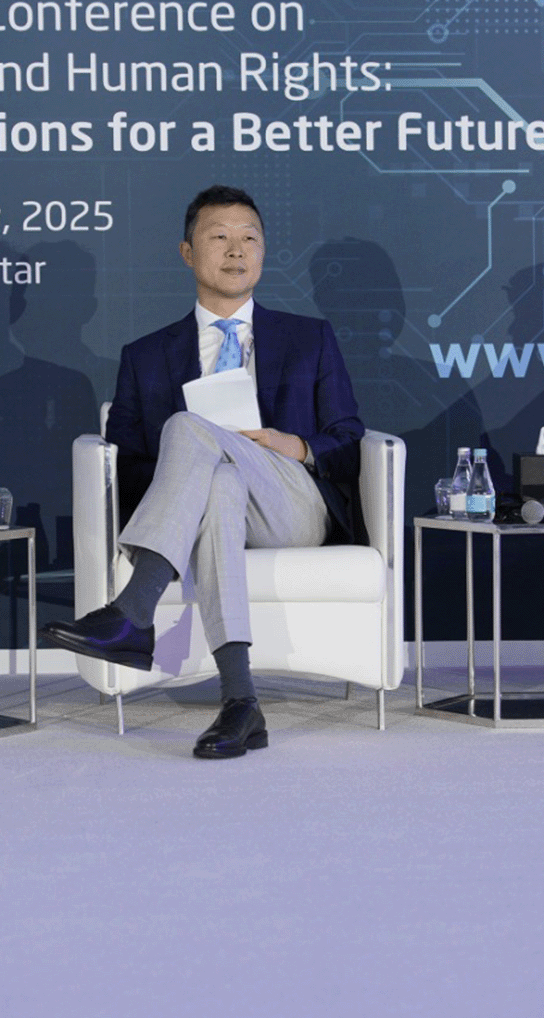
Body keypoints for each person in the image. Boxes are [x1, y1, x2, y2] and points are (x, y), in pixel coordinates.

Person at [39, 184, 366, 758]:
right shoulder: (145, 356)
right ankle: (241, 702)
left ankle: (133, 611)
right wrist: (194, 471)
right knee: (219, 481)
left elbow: (349, 442)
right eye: (220, 237)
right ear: (189, 253)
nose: (237, 250)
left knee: (188, 428)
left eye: (249, 239)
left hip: (291, 508)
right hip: (213, 510)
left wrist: (294, 445)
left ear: (263, 252)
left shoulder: (309, 338)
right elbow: (129, 469)